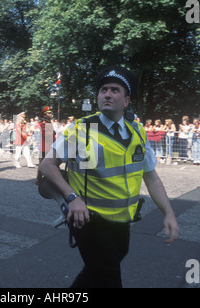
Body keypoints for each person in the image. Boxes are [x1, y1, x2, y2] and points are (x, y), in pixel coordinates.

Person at [39, 65, 179, 288]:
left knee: (97, 272)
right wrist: (72, 198)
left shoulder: (137, 132)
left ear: (126, 101)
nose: (107, 94)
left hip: (123, 218)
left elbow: (151, 177)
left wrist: (169, 212)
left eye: (115, 90)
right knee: (108, 278)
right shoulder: (82, 129)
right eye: (103, 90)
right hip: (88, 219)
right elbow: (47, 165)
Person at [36, 106, 56, 185]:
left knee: (48, 163)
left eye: (51, 113)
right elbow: (47, 136)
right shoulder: (44, 123)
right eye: (49, 113)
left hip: (49, 146)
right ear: (44, 115)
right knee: (42, 164)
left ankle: (45, 179)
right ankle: (39, 179)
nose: (51, 114)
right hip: (45, 147)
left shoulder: (48, 123)